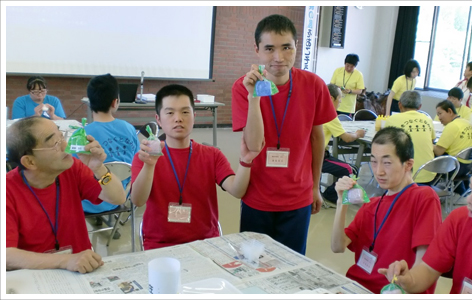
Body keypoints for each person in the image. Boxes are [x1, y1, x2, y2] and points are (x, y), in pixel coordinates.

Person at [231, 14, 336, 254]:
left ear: (296, 47)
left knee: (293, 266)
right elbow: (254, 144)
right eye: (269, 49)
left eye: (286, 47)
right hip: (257, 195)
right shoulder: (242, 87)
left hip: (298, 196)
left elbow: (317, 138)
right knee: (252, 266)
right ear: (257, 50)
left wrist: (315, 186)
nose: (278, 58)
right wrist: (254, 96)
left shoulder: (314, 85)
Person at [131, 84, 262, 250]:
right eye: (170, 112)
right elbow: (138, 200)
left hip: (206, 243)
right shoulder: (145, 156)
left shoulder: (212, 155)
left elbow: (237, 191)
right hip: (159, 244)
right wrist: (149, 166)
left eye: (185, 112)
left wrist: (246, 160)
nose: (178, 118)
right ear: (158, 119)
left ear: (194, 115)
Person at [379, 147, 472, 294]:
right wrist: (409, 280)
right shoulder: (460, 219)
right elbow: (428, 269)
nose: (469, 200)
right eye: (470, 189)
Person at [6, 116, 126, 273]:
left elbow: (118, 198)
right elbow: (7, 255)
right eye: (54, 143)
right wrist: (65, 260)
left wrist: (99, 168)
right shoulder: (8, 190)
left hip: (78, 269)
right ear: (30, 162)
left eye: (61, 136)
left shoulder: (71, 168)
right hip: (37, 274)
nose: (66, 145)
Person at [331, 126, 441, 294]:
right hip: (356, 288)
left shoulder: (423, 198)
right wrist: (341, 202)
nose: (379, 171)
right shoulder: (372, 204)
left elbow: (424, 264)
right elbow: (337, 246)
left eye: (387, 162)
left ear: (408, 164)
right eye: (374, 161)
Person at [78, 73, 140, 214]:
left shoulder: (83, 134)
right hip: (121, 194)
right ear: (115, 102)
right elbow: (137, 163)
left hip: (89, 201)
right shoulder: (129, 128)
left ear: (89, 102)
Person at [322, 83, 366, 203]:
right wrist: (357, 134)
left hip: (308, 156)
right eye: (340, 97)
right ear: (331, 98)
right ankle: (330, 195)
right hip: (319, 158)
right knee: (351, 170)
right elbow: (346, 138)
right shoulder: (328, 114)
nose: (341, 101)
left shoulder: (314, 108)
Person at [385, 91, 436, 184]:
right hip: (429, 175)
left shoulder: (392, 120)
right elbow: (432, 141)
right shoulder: (428, 120)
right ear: (420, 106)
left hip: (405, 177)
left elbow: (386, 146)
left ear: (399, 104)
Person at [433, 100, 472, 194]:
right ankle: (460, 192)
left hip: (454, 168)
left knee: (428, 156)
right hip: (470, 167)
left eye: (440, 114)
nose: (439, 117)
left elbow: (438, 152)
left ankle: (427, 189)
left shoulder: (452, 126)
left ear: (450, 111)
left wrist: (428, 144)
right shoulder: (467, 123)